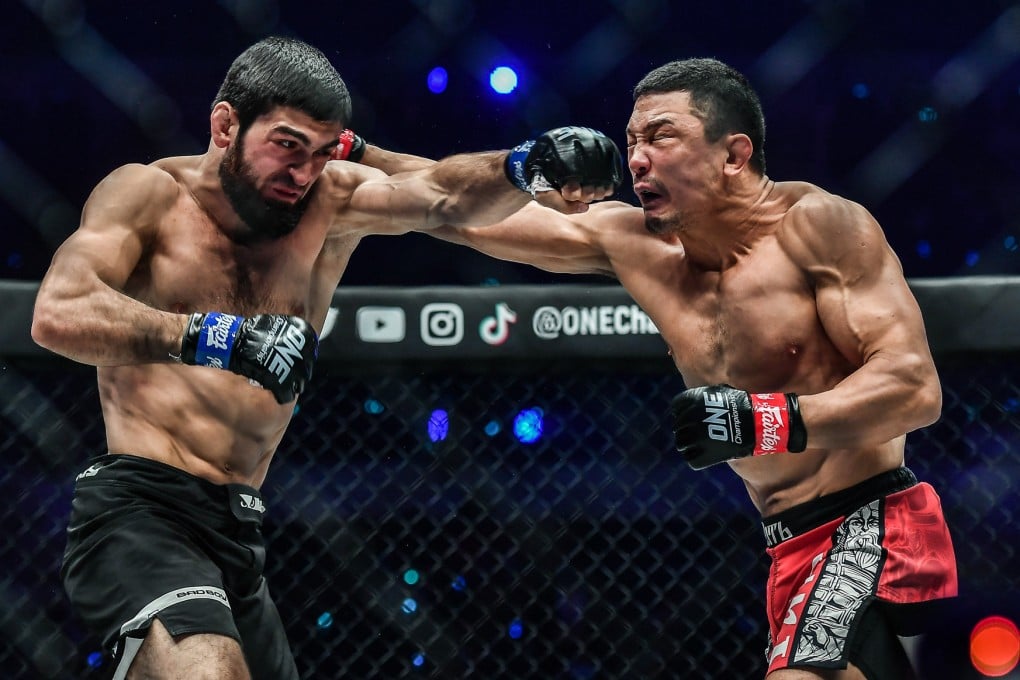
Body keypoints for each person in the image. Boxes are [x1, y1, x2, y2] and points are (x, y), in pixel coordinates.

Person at [30, 36, 621, 680]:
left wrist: (520, 163)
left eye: (319, 152)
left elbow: (442, 197)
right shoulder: (148, 194)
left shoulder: (328, 204)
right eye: (286, 145)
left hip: (241, 528)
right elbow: (59, 312)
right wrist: (214, 335)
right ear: (225, 124)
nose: (303, 172)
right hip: (139, 511)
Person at [426, 58, 958, 679]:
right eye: (631, 143)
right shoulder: (636, 247)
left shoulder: (818, 225)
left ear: (734, 155)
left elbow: (914, 388)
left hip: (868, 525)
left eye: (660, 136)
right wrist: (353, 154)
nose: (637, 159)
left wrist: (766, 420)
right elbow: (445, 206)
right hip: (790, 547)